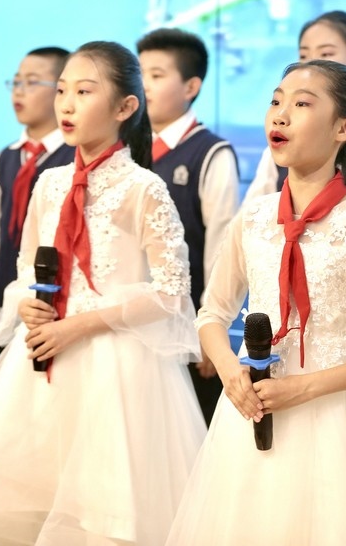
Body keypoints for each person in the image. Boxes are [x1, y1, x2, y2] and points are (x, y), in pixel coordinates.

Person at [0, 41, 206, 545]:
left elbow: (173, 294)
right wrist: (25, 301)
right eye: (62, 90)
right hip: (45, 363)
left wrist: (79, 325)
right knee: (25, 505)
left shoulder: (144, 188)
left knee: (101, 514)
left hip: (117, 368)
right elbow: (25, 266)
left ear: (126, 107)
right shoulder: (50, 182)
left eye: (84, 92)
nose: (66, 104)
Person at [166, 60, 346, 545]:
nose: (281, 114)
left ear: (344, 128)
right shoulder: (253, 218)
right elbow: (212, 313)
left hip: (339, 418)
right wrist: (230, 372)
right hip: (252, 403)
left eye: (302, 103)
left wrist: (304, 388)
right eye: (276, 101)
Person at [137, 27, 241, 425]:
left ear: (191, 86)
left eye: (157, 75)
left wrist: (212, 329)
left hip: (186, 330)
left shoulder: (211, 153)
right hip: (133, 325)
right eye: (139, 73)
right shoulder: (127, 148)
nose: (144, 84)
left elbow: (222, 249)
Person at [243, 10, 346, 246]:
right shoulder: (281, 147)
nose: (312, 65)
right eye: (304, 55)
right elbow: (247, 226)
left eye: (326, 54)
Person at [0, 47, 74, 324]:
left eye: (32, 82)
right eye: (16, 82)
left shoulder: (76, 156)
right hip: (7, 293)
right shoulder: (5, 157)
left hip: (54, 305)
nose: (19, 91)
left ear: (61, 91)